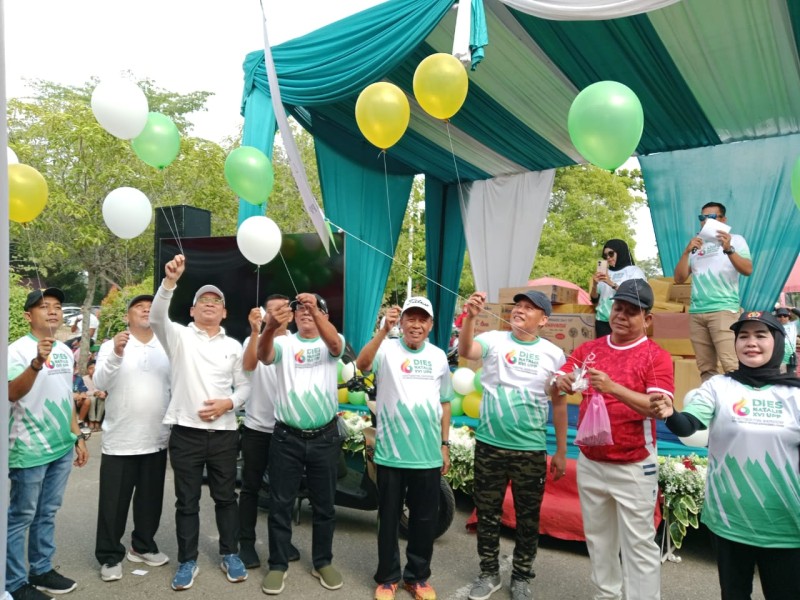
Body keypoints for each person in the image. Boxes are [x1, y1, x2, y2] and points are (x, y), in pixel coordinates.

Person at [651, 310, 800, 599]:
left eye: (760, 335)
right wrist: (670, 413)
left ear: (778, 342)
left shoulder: (795, 395)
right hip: (730, 520)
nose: (750, 342)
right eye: (743, 336)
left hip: (786, 524)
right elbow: (689, 425)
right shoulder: (719, 387)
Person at [553, 279, 674, 600]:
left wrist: (613, 388)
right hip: (591, 461)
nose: (621, 315)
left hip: (634, 464)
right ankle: (606, 594)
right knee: (599, 538)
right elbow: (562, 375)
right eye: (618, 308)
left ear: (647, 319)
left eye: (632, 312)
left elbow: (658, 407)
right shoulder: (589, 349)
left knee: (639, 542)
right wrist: (562, 380)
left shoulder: (656, 356)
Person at [150, 254, 252, 591]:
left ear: (224, 312)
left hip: (223, 434)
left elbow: (245, 387)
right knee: (187, 501)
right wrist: (170, 282)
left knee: (226, 498)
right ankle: (187, 561)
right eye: (203, 300)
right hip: (186, 433)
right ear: (192, 310)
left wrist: (229, 403)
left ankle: (230, 554)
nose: (210, 303)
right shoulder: (178, 337)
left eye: (216, 301)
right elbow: (156, 317)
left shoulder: (234, 346)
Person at [458, 290, 567, 600]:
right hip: (489, 446)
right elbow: (466, 349)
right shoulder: (493, 340)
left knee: (527, 518)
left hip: (530, 450)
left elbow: (559, 404)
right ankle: (488, 573)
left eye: (529, 308)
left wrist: (561, 451)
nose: (519, 310)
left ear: (543, 320)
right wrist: (470, 318)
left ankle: (521, 577)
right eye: (518, 305)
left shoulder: (553, 354)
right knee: (487, 514)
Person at [355, 297, 454, 600]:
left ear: (431, 325)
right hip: (391, 454)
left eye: (423, 319)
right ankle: (387, 578)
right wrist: (383, 331)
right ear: (402, 321)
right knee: (388, 520)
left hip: (427, 455)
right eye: (411, 318)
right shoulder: (386, 349)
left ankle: (417, 578)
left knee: (424, 522)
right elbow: (361, 364)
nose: (416, 324)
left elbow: (445, 402)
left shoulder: (438, 356)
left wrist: (445, 444)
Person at [257, 293, 345, 595]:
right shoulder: (285, 344)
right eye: (301, 309)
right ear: (293, 317)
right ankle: (278, 564)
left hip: (325, 438)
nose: (306, 312)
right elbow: (263, 356)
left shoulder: (332, 341)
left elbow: (336, 347)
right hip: (287, 438)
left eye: (316, 309)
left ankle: (323, 562)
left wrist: (315, 310)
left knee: (325, 505)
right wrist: (270, 326)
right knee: (280, 504)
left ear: (325, 316)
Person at [7, 288, 89, 600]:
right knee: (20, 517)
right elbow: (11, 393)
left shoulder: (65, 350)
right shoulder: (15, 351)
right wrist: (36, 363)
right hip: (28, 448)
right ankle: (13, 583)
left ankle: (40, 570)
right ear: (28, 316)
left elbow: (66, 398)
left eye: (57, 306)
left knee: (47, 512)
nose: (53, 311)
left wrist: (77, 436)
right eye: (44, 306)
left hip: (61, 447)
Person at [92, 294, 172, 583]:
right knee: (113, 503)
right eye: (139, 307)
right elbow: (100, 383)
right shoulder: (112, 345)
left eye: (151, 307)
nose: (146, 310)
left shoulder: (166, 345)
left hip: (156, 437)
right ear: (127, 316)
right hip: (121, 438)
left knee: (150, 500)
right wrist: (116, 352)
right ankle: (109, 555)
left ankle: (142, 545)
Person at [238, 295, 300, 569]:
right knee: (250, 488)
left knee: (283, 492)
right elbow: (250, 365)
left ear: (291, 314)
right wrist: (257, 332)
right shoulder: (252, 339)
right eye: (271, 310)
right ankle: (246, 543)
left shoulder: (298, 344)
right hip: (256, 427)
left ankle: (282, 542)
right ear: (264, 315)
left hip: (287, 430)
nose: (277, 314)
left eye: (283, 309)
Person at [674, 202, 753, 381]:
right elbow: (679, 278)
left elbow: (747, 270)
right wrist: (686, 252)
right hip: (697, 312)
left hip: (723, 310)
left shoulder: (736, 240)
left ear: (723, 220)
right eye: (702, 217)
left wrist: (729, 249)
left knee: (731, 365)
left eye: (711, 217)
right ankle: (713, 399)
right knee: (706, 368)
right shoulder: (696, 244)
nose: (705, 221)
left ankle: (738, 399)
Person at [590, 239, 646, 338]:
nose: (608, 258)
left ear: (620, 252)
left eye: (611, 254)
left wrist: (611, 283)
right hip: (603, 322)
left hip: (625, 321)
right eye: (605, 255)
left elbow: (637, 295)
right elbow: (595, 300)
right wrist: (594, 285)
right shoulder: (605, 273)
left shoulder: (634, 271)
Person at [82, 360, 107, 432]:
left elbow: (104, 389)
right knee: (92, 399)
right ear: (87, 370)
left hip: (99, 396)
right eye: (91, 368)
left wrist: (101, 393)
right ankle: (91, 421)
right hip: (89, 397)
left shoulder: (102, 378)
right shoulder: (84, 379)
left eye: (95, 368)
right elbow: (84, 391)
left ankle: (97, 422)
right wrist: (94, 393)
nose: (93, 370)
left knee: (102, 399)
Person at [775, 306, 800, 373]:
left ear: (789, 317)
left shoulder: (794, 325)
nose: (782, 317)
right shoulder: (773, 326)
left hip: (791, 359)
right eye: (780, 316)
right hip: (777, 359)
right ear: (776, 317)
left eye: (785, 315)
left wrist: (792, 309)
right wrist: (774, 308)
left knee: (791, 378)